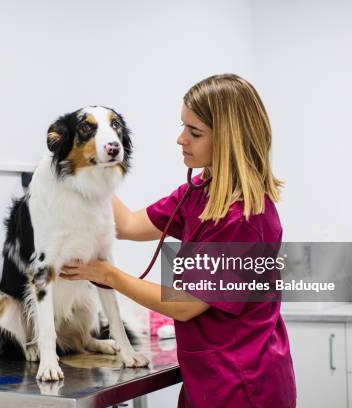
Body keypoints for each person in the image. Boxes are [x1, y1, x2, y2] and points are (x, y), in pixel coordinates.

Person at [61, 73, 296, 408]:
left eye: (194, 132)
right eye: (183, 126)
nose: (180, 139)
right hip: (208, 379)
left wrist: (106, 274)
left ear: (229, 139)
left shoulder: (245, 218)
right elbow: (127, 224)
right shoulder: (199, 193)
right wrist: (87, 165)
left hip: (244, 386)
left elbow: (184, 304)